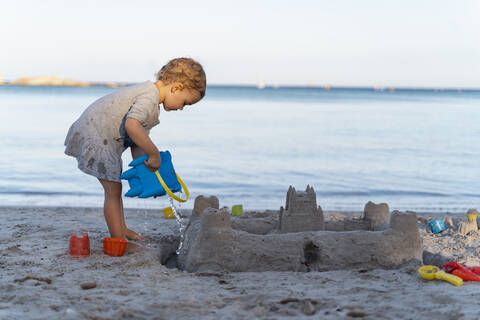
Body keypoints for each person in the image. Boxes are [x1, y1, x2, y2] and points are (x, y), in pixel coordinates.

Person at [64, 58, 206, 247]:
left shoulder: (150, 99)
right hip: (96, 135)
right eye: (185, 103)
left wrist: (149, 176)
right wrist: (154, 154)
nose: (181, 108)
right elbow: (132, 126)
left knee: (115, 189)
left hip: (99, 133)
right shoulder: (149, 97)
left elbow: (137, 142)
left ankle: (121, 230)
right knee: (113, 191)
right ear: (177, 87)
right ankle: (118, 240)